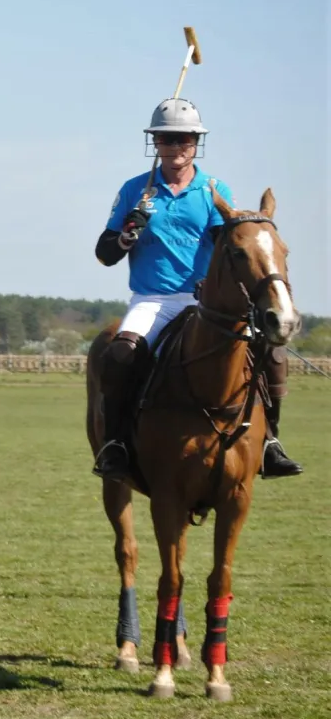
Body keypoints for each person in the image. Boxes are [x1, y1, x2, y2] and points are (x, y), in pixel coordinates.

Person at [92, 97, 302, 481]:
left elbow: (230, 246)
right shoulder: (135, 191)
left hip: (206, 301)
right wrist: (126, 236)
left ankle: (270, 441)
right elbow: (105, 254)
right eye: (167, 139)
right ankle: (117, 443)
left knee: (272, 353)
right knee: (120, 355)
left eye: (185, 139)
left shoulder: (213, 190)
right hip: (153, 299)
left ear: (196, 143)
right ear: (155, 142)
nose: (177, 147)